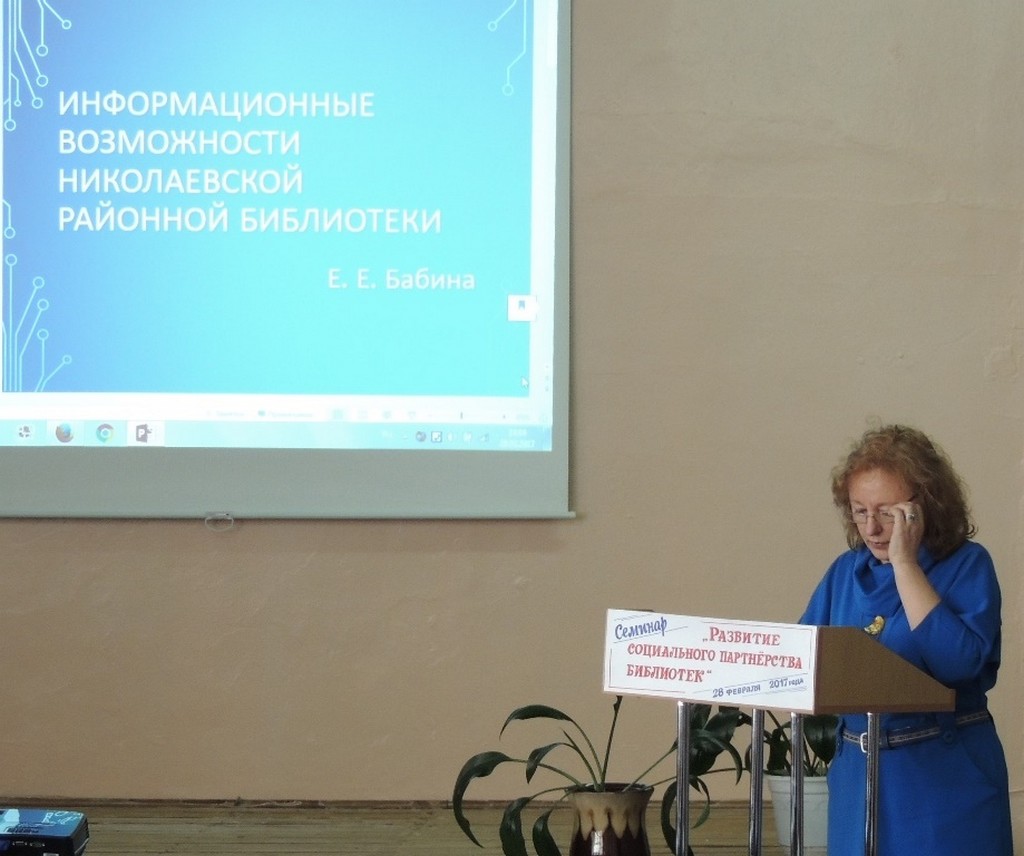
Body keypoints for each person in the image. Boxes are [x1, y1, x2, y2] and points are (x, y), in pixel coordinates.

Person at [800, 424, 1013, 855]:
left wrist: (905, 565)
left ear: (925, 503)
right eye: (859, 511)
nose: (872, 528)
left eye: (888, 512)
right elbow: (805, 661)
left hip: (943, 775)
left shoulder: (967, 564)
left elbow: (959, 665)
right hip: (858, 778)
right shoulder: (845, 571)